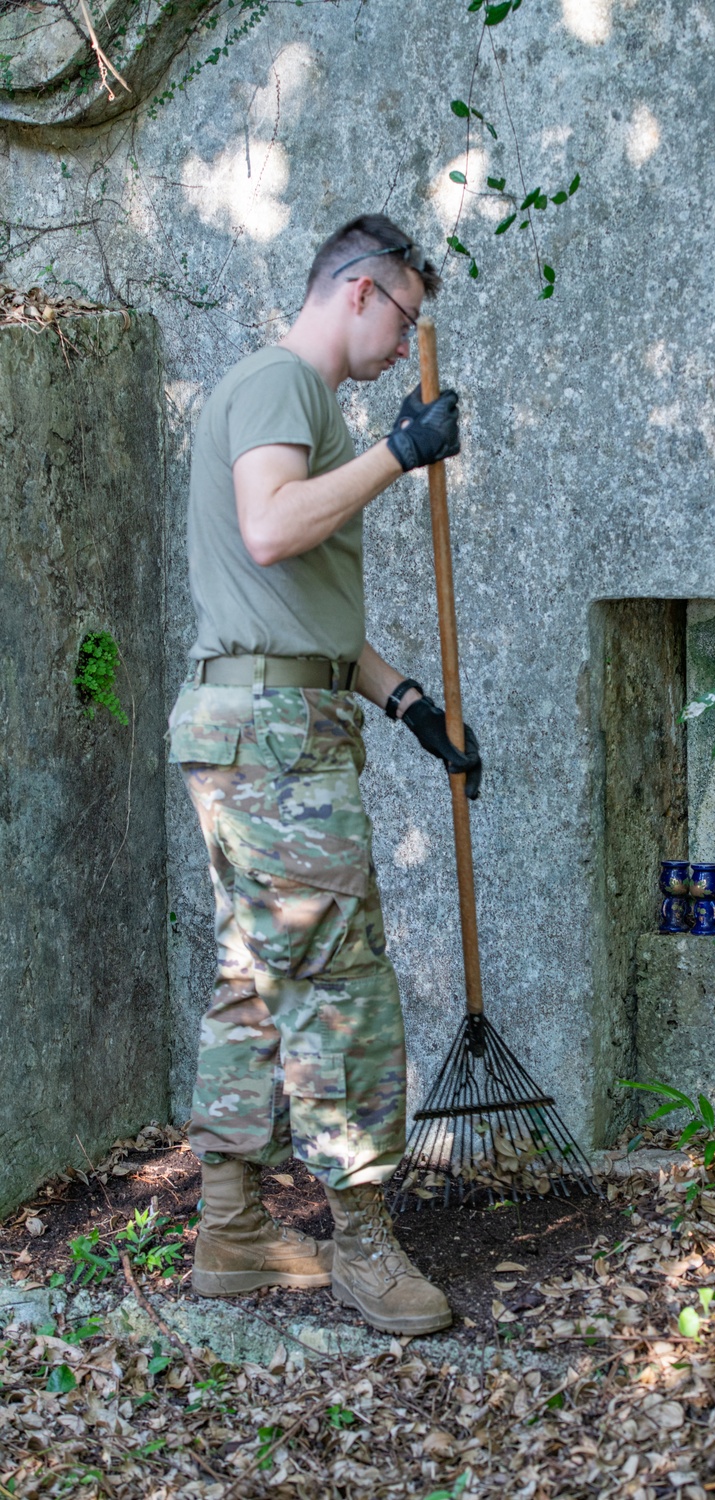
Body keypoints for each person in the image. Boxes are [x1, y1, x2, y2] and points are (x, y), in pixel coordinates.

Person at [167, 214, 480, 1336]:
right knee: (338, 980)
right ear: (358, 290)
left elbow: (305, 619)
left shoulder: (297, 403)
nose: (407, 344)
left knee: (255, 977)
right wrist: (396, 455)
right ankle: (361, 1246)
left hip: (270, 715)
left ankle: (232, 1231)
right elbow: (268, 532)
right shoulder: (281, 384)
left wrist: (410, 707)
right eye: (404, 315)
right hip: (273, 738)